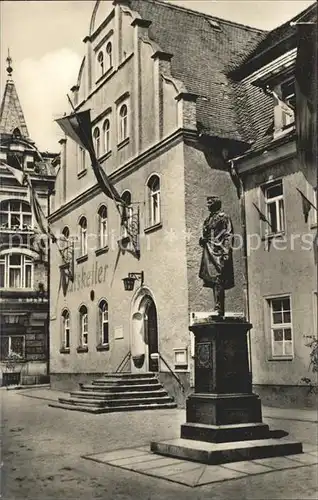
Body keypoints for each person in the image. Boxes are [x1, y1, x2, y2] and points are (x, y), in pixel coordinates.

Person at [199, 195, 235, 316]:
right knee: (213, 280)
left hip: (219, 251)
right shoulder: (208, 219)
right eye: (207, 203)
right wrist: (203, 240)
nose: (207, 205)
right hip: (209, 250)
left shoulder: (224, 217)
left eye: (210, 203)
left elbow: (228, 234)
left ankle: (219, 309)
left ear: (216, 203)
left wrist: (226, 252)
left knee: (219, 279)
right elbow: (207, 234)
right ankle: (217, 307)